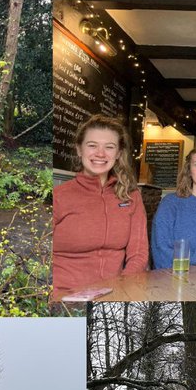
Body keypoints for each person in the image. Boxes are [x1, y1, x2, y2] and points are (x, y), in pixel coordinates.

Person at [52, 115, 147, 295]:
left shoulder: (131, 195)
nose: (100, 154)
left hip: (113, 294)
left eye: (109, 147)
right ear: (79, 149)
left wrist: (122, 288)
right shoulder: (59, 196)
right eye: (92, 145)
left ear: (118, 154)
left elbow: (138, 254)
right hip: (64, 295)